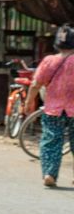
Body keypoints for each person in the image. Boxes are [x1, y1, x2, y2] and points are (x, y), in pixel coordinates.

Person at [24, 24, 74, 187]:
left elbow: (36, 84)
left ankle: (49, 174)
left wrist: (29, 102)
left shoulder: (49, 61)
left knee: (51, 141)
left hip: (53, 110)